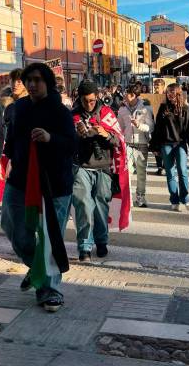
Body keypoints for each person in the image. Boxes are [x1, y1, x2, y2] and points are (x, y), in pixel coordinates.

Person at [1, 63, 77, 312]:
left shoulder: (60, 111)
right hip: (20, 178)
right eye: (28, 80)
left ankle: (50, 289)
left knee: (50, 237)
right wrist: (7, 158)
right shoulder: (20, 107)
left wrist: (50, 138)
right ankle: (36, 268)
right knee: (12, 227)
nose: (31, 84)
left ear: (47, 82)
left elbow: (73, 146)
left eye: (37, 80)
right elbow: (12, 137)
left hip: (53, 183)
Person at [71, 80, 121, 262]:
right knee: (83, 205)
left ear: (97, 97)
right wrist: (76, 133)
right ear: (80, 99)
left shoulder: (106, 113)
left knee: (101, 206)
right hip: (81, 166)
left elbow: (118, 140)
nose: (89, 104)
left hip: (103, 167)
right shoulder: (73, 115)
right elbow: (66, 140)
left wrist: (105, 134)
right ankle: (84, 246)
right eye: (85, 101)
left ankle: (101, 241)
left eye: (92, 101)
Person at [150, 83, 189, 212]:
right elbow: (157, 128)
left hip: (180, 144)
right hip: (166, 145)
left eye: (172, 92)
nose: (169, 95)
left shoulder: (185, 109)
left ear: (178, 93)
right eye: (168, 92)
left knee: (182, 171)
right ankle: (174, 200)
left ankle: (186, 198)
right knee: (170, 173)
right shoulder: (163, 108)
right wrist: (154, 146)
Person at [117, 84, 155, 208]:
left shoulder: (146, 108)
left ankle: (141, 197)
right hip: (127, 144)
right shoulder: (122, 109)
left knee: (141, 173)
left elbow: (151, 127)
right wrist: (120, 140)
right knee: (126, 173)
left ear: (133, 95)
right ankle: (128, 197)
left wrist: (139, 125)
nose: (124, 95)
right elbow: (120, 127)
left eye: (126, 93)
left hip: (142, 144)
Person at [0, 69, 26, 186]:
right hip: (10, 154)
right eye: (13, 80)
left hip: (28, 156)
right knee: (11, 198)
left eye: (19, 81)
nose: (15, 84)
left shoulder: (31, 102)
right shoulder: (3, 104)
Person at [152, 79, 167, 175]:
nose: (156, 87)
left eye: (158, 85)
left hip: (165, 128)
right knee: (156, 148)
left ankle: (165, 166)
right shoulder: (151, 97)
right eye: (155, 85)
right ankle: (159, 167)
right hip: (154, 126)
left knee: (165, 148)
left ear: (163, 86)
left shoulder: (166, 98)